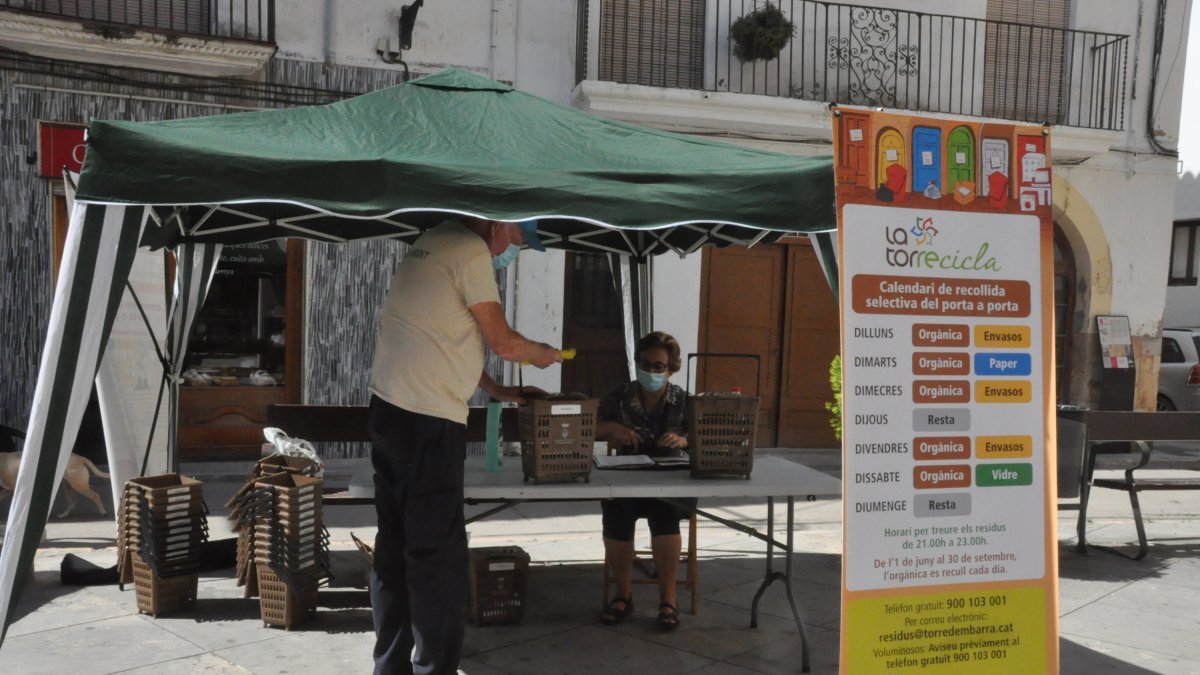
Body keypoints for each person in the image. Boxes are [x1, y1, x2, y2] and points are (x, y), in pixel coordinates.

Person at [367, 215, 561, 675]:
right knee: (437, 556)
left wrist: (497, 391)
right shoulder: (472, 252)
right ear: (498, 224)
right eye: (515, 239)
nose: (508, 252)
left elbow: (445, 339)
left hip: (390, 413)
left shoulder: (431, 241)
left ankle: (390, 667)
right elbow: (505, 343)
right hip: (428, 423)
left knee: (395, 547)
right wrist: (543, 354)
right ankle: (435, 668)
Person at [595, 330, 694, 632]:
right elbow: (588, 426)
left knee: (665, 516)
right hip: (627, 477)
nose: (651, 371)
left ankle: (668, 600)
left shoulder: (683, 401)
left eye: (658, 366)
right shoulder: (620, 396)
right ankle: (623, 595)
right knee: (616, 514)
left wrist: (682, 440)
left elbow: (700, 436)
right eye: (645, 363)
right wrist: (613, 427)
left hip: (671, 479)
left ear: (671, 368)